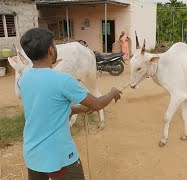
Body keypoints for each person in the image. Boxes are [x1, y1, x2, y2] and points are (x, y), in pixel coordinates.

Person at [18, 28, 122, 180]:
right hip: (59, 157)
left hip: (32, 155)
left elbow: (47, 110)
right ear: (51, 50)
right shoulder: (62, 80)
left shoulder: (24, 80)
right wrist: (113, 92)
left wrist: (80, 109)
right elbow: (98, 104)